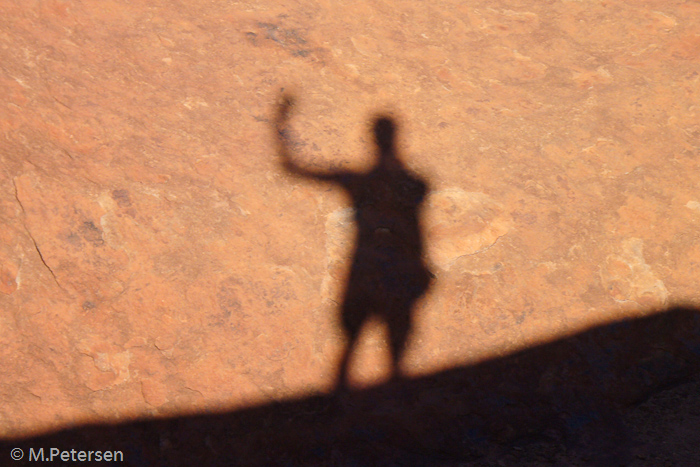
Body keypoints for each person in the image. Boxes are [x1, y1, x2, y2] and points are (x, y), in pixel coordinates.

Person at [275, 95, 432, 389]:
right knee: (380, 361)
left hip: (374, 274)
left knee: (359, 356)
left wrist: (280, 124)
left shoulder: (376, 183)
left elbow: (293, 168)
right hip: (389, 275)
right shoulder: (411, 184)